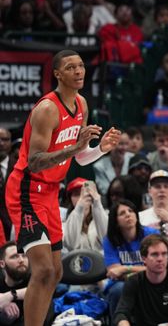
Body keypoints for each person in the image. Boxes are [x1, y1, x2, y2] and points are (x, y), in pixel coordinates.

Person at [5, 50, 120, 326]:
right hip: (26, 190)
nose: (79, 71)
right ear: (57, 74)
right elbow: (34, 161)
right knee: (43, 269)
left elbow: (78, 156)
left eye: (81, 66)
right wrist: (74, 147)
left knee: (56, 272)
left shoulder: (81, 104)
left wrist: (99, 149)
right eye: (71, 67)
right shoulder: (47, 109)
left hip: (50, 191)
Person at [112, 234, 168, 326]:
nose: (160, 259)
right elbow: (121, 312)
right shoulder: (134, 282)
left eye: (164, 254)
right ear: (144, 258)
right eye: (155, 254)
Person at [103, 199, 160, 314]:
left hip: (149, 281)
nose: (128, 214)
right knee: (118, 290)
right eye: (122, 213)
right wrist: (144, 271)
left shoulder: (151, 235)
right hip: (121, 284)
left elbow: (158, 268)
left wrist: (125, 269)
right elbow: (114, 272)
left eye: (131, 211)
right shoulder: (109, 240)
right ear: (116, 221)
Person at [63, 179, 107, 253]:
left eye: (85, 194)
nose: (81, 197)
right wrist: (79, 208)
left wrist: (97, 204)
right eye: (77, 194)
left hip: (102, 263)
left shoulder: (103, 215)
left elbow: (106, 239)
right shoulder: (64, 224)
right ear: (70, 199)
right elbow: (71, 244)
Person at [0, 242, 30, 325]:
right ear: (2, 264)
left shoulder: (35, 277)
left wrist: (10, 295)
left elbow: (42, 290)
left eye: (24, 256)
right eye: (14, 256)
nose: (21, 260)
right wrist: (3, 317)